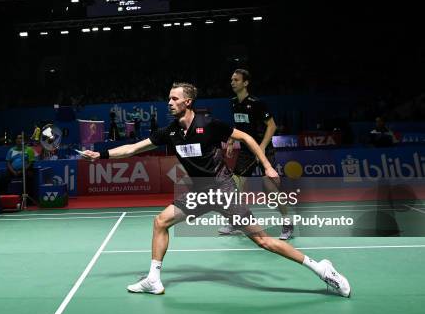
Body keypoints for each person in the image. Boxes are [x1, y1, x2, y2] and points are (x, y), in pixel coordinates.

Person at [82, 82, 350, 297]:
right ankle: (153, 279)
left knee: (263, 241)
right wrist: (101, 155)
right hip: (199, 191)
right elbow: (132, 148)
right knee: (160, 221)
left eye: (174, 99)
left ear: (188, 102)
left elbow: (244, 137)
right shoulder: (170, 132)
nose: (169, 102)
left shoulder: (208, 124)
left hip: (223, 189)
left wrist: (267, 165)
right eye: (169, 98)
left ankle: (321, 268)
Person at [221, 69, 294, 240]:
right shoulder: (233, 102)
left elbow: (272, 126)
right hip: (246, 151)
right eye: (231, 79)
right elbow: (237, 124)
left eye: (236, 80)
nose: (232, 82)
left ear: (245, 83)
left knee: (269, 188)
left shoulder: (257, 103)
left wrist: (260, 148)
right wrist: (231, 141)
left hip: (264, 149)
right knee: (235, 186)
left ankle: (287, 223)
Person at [0, 134, 36, 215]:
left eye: (21, 138)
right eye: (18, 138)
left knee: (29, 177)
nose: (20, 139)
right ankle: (2, 199)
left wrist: (22, 171)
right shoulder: (11, 150)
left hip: (25, 170)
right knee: (3, 178)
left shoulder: (29, 150)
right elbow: (8, 163)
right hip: (13, 171)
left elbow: (31, 163)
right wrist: (13, 171)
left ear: (24, 141)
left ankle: (27, 200)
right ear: (16, 140)